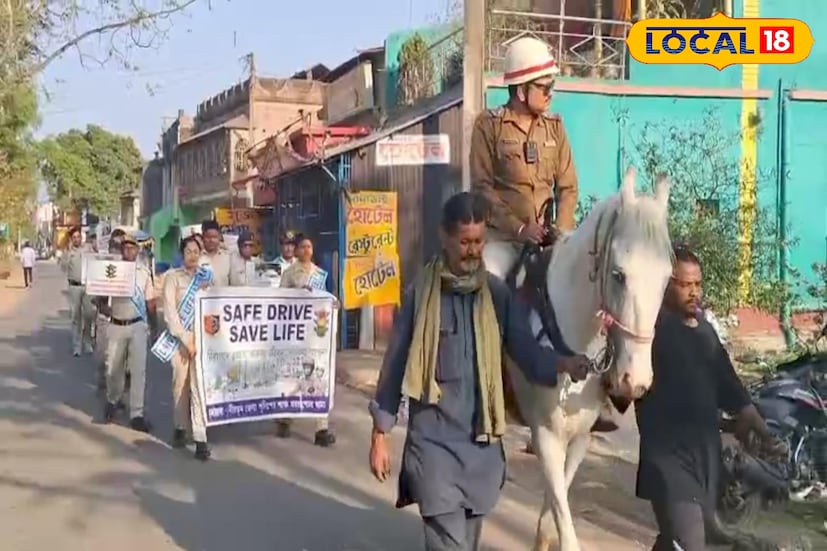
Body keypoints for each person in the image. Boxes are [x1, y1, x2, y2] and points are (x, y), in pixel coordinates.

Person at [368, 192, 590, 551]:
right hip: (434, 447)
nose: (473, 251)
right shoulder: (420, 295)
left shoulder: (497, 295)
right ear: (445, 237)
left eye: (478, 242)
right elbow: (394, 363)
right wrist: (381, 432)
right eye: (465, 242)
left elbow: (527, 352)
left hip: (481, 450)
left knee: (467, 543)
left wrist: (564, 363)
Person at [635, 246, 785, 551]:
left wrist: (766, 436)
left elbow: (733, 389)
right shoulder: (651, 332)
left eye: (697, 284)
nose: (694, 292)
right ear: (666, 284)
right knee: (691, 543)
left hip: (705, 459)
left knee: (674, 541)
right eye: (685, 284)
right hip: (667, 460)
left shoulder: (705, 332)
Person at [470, 36, 578, 263]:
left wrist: (561, 231)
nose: (551, 94)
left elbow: (568, 188)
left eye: (552, 86)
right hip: (505, 241)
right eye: (544, 87)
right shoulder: (489, 126)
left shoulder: (555, 127)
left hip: (550, 241)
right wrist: (519, 229)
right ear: (521, 91)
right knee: (491, 277)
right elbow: (481, 189)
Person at [276, 233, 336, 446]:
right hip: (295, 335)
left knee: (318, 378)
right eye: (302, 247)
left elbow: (330, 299)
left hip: (316, 337)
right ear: (297, 249)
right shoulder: (290, 274)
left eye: (309, 246)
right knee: (292, 376)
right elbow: (280, 299)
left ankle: (321, 429)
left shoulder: (321, 274)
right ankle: (284, 418)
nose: (306, 250)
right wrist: (298, 293)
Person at [100, 233, 156, 433]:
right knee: (112, 368)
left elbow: (150, 302)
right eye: (125, 248)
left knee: (138, 370)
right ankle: (113, 400)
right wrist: (101, 306)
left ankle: (137, 414)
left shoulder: (144, 272)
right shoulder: (111, 270)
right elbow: (99, 296)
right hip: (116, 323)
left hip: (138, 325)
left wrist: (154, 328)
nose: (129, 251)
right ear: (122, 250)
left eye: (133, 248)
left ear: (138, 250)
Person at [162, 235, 212, 460]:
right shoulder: (172, 278)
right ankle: (181, 427)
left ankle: (201, 438)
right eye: (188, 251)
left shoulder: (206, 277)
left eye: (196, 251)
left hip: (203, 340)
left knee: (199, 386)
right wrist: (184, 339)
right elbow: (170, 312)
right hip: (180, 339)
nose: (192, 255)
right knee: (180, 386)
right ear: (182, 254)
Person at [93, 239, 123, 391]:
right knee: (103, 355)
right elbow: (95, 298)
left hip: (122, 320)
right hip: (105, 318)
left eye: (120, 248)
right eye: (115, 248)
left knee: (120, 359)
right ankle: (102, 381)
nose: (117, 252)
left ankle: (117, 393)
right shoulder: (101, 270)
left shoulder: (127, 272)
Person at [60, 226, 93, 357]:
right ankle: (77, 346)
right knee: (76, 317)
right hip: (74, 287)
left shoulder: (88, 249)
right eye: (74, 238)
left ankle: (88, 342)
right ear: (71, 239)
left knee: (89, 315)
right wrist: (68, 253)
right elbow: (63, 267)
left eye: (78, 237)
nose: (77, 239)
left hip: (88, 286)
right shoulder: (68, 252)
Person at [199, 220, 230, 286]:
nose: (211, 240)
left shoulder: (227, 257)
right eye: (208, 237)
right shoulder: (197, 258)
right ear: (203, 238)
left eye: (214, 237)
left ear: (219, 237)